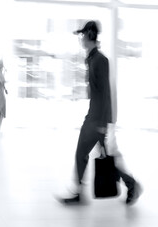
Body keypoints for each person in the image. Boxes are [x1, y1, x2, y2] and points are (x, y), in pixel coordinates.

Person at [59, 21, 141, 206]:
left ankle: (80, 192)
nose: (80, 39)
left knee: (83, 153)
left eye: (82, 35)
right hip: (96, 114)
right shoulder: (92, 58)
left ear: (90, 34)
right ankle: (132, 184)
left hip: (97, 118)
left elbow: (105, 93)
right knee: (107, 158)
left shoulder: (100, 60)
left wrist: (103, 124)